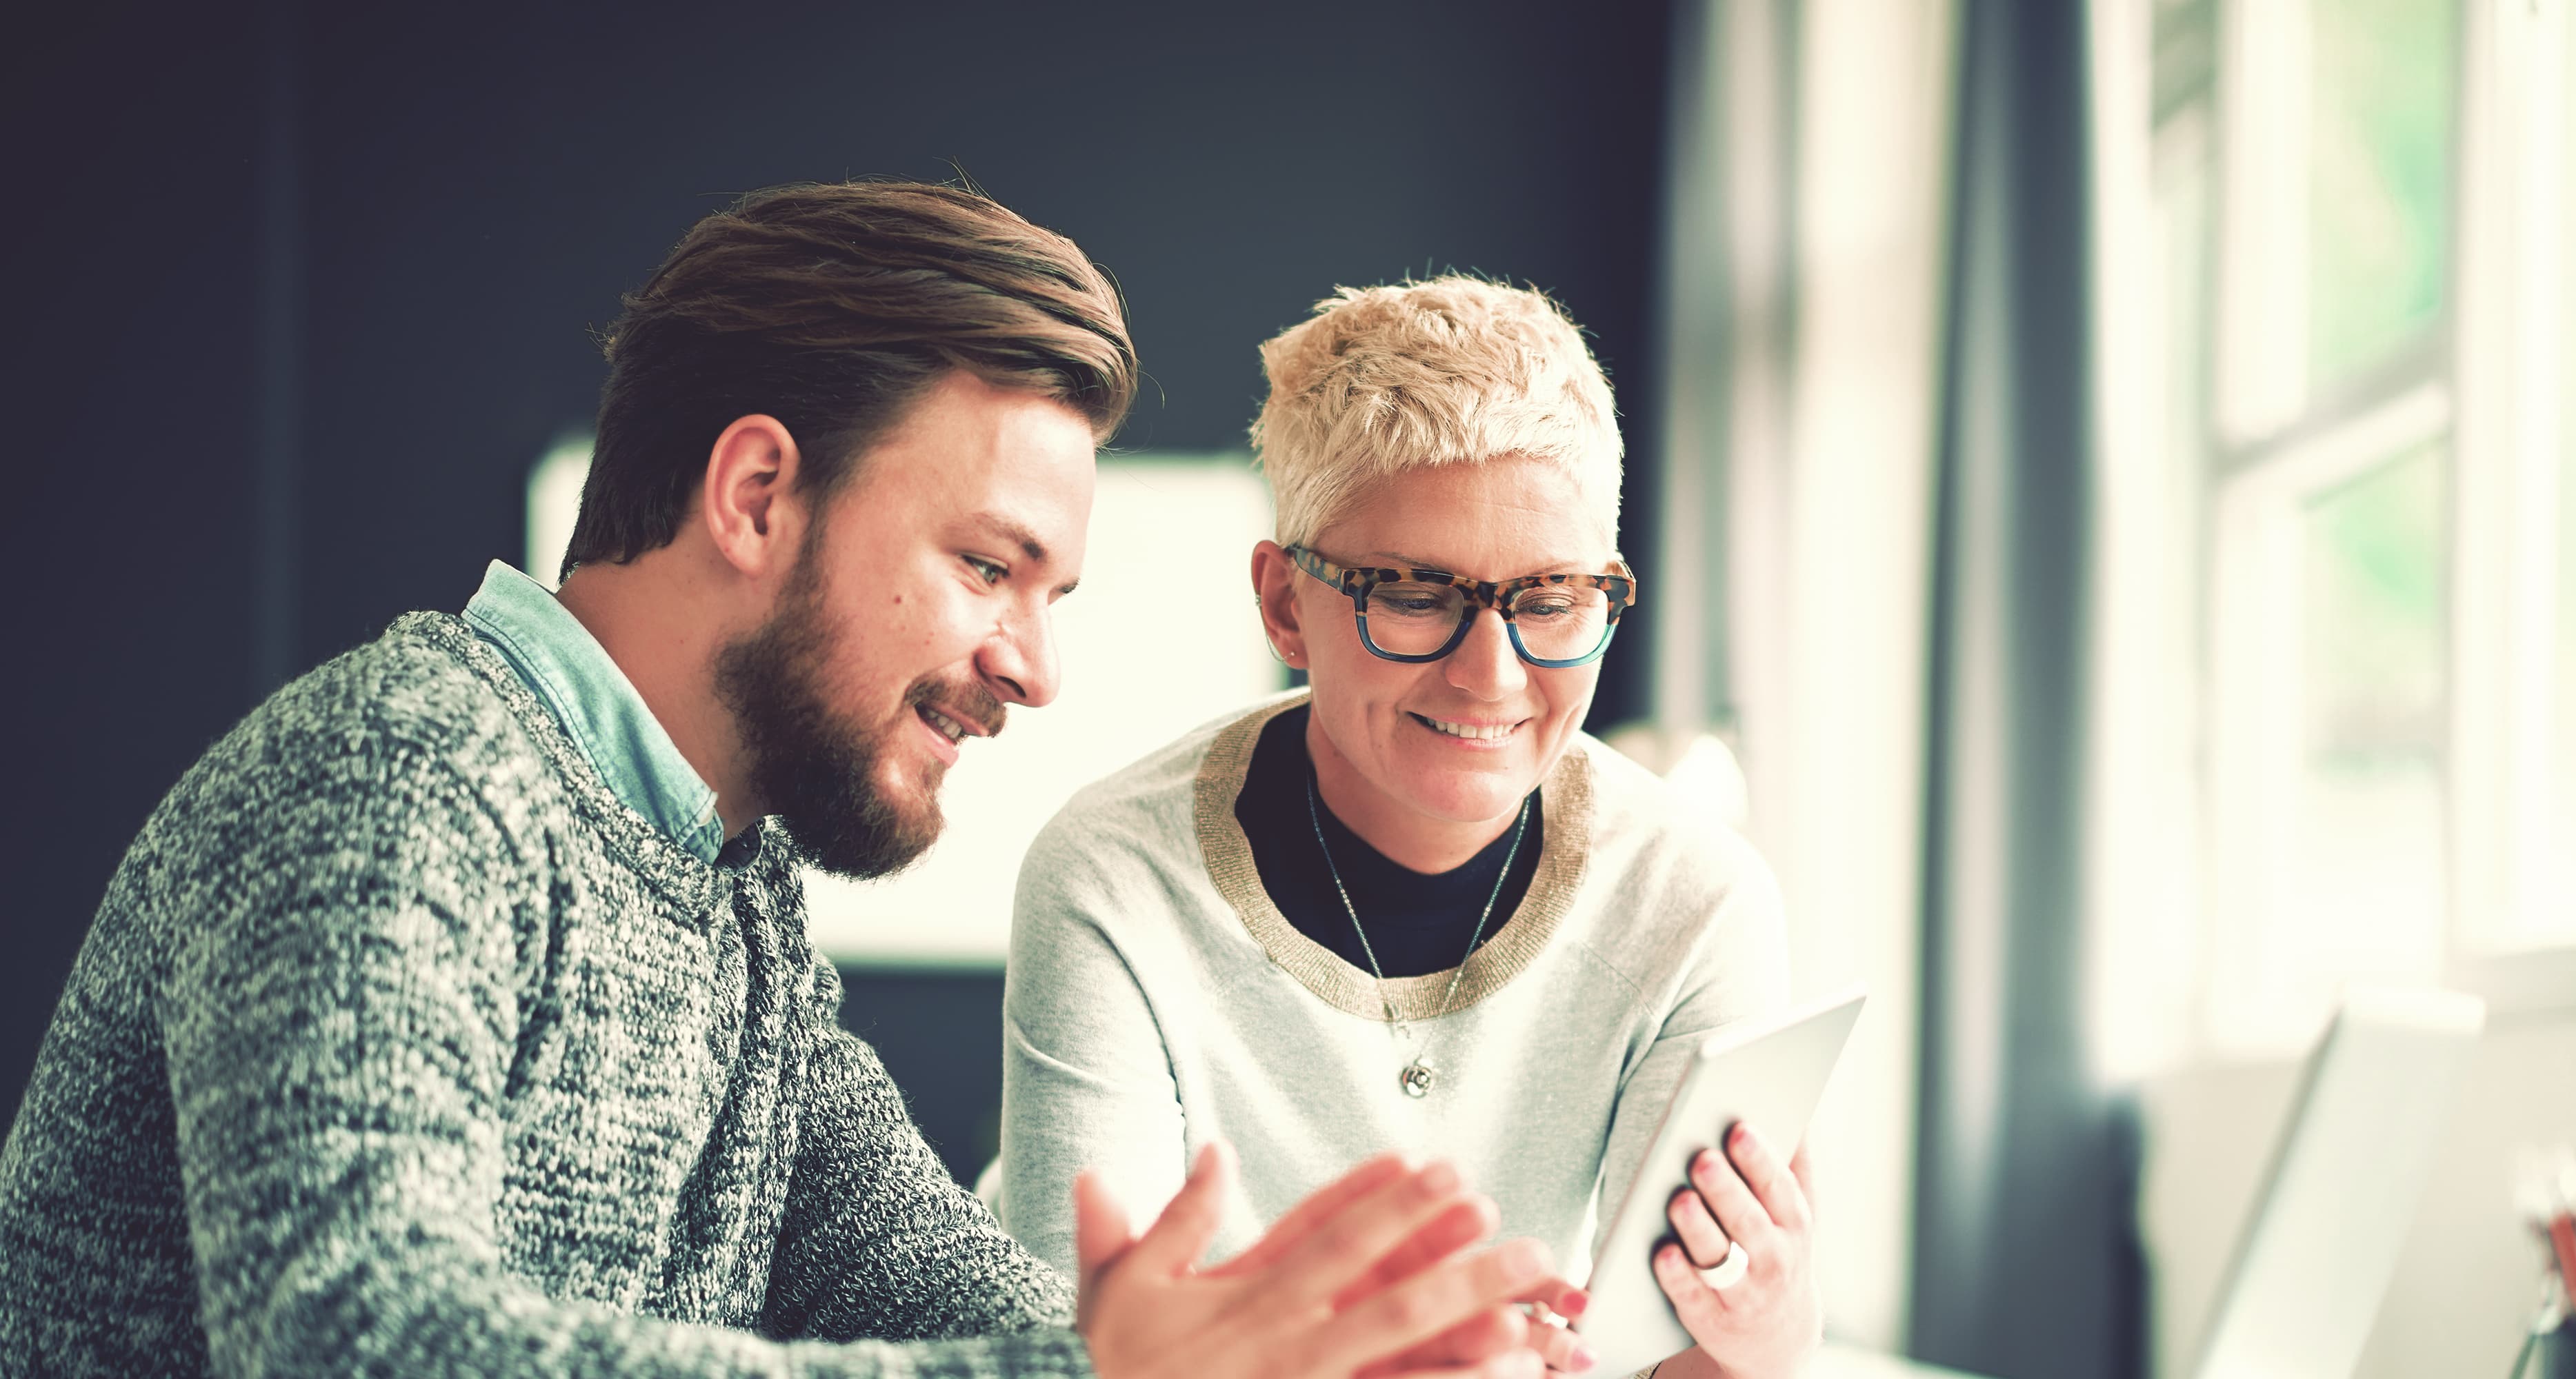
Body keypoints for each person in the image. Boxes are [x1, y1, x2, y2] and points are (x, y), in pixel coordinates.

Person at [0, 182, 1570, 1379]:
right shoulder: (393, 782)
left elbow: (937, 1284)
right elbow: (360, 1335)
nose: (1033, 667)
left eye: (1052, 595)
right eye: (985, 565)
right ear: (756, 493)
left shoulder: (727, 899)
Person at [999, 276, 1824, 1379]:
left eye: (1549, 599)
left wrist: (1766, 1337)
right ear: (1287, 605)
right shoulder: (1110, 880)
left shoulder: (1698, 898)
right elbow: (1088, 1354)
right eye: (1415, 593)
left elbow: (1670, 1354)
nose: (1493, 676)